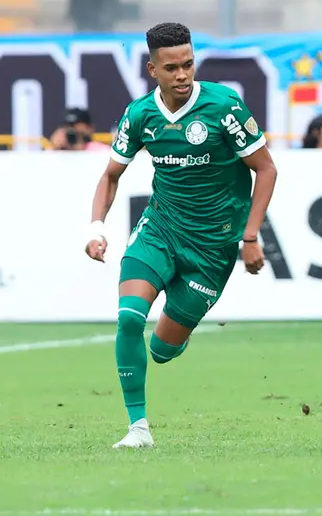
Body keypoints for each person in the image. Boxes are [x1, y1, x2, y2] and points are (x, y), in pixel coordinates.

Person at [84, 22, 279, 449]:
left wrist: (249, 237)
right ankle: (138, 429)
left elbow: (266, 168)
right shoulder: (140, 114)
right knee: (129, 317)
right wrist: (96, 227)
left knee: (162, 351)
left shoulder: (224, 107)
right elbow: (111, 174)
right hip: (161, 229)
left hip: (213, 247)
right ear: (152, 69)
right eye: (171, 67)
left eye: (189, 64)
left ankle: (177, 331)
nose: (183, 75)